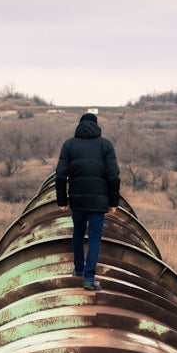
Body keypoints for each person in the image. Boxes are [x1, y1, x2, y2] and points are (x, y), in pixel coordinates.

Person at [56, 112, 120, 291]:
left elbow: (60, 175)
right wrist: (114, 202)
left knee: (77, 232)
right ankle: (89, 278)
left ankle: (78, 269)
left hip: (77, 199)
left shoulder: (69, 145)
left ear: (79, 125)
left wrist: (62, 200)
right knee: (94, 238)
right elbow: (114, 176)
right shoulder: (105, 145)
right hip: (99, 201)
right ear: (96, 125)